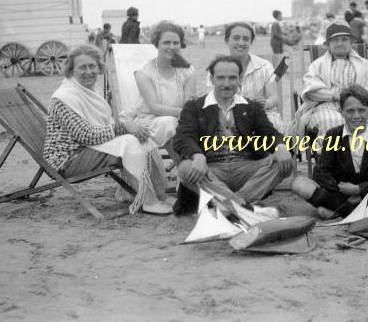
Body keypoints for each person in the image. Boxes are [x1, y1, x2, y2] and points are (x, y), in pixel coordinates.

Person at [43, 44, 173, 215]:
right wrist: (125, 127)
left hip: (86, 150)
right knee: (130, 141)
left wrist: (129, 127)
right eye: (82, 67)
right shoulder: (64, 97)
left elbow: (101, 128)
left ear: (99, 68)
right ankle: (148, 201)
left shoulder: (89, 91)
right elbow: (87, 135)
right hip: (67, 160)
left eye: (92, 66)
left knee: (140, 137)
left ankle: (159, 194)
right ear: (71, 70)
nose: (89, 71)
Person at [173, 55, 293, 212]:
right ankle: (242, 206)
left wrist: (281, 147)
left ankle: (228, 205)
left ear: (240, 79)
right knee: (185, 168)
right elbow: (183, 137)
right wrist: (198, 156)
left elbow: (269, 133)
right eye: (221, 78)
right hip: (211, 170)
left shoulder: (252, 107)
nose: (226, 84)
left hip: (247, 170)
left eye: (232, 78)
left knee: (284, 162)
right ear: (212, 79)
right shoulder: (194, 107)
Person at [291, 85, 368, 219]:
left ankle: (342, 212)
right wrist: (344, 191)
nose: (356, 116)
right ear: (341, 111)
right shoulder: (333, 135)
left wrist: (359, 189)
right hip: (339, 194)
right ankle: (363, 211)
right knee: (299, 184)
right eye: (350, 111)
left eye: (361, 110)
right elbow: (321, 173)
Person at [296, 20, 368, 150]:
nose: (340, 43)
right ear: (328, 44)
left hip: (358, 107)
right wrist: (335, 96)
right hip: (326, 106)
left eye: (344, 39)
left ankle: (356, 164)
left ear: (351, 43)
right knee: (332, 121)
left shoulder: (365, 65)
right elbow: (310, 90)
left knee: (356, 119)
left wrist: (353, 100)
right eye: (335, 40)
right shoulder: (318, 65)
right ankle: (332, 164)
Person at [120, 21, 196, 148]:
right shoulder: (144, 72)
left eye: (176, 43)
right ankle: (184, 163)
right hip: (151, 121)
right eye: (166, 42)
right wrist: (187, 113)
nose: (172, 46)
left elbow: (188, 103)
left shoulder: (188, 71)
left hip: (179, 119)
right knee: (170, 124)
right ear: (157, 44)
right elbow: (155, 107)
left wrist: (189, 113)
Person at [206, 22, 286, 133]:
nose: (241, 43)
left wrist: (266, 104)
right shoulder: (217, 68)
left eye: (246, 39)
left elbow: (274, 97)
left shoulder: (264, 66)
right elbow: (211, 100)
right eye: (236, 38)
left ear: (251, 42)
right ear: (226, 40)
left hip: (262, 115)